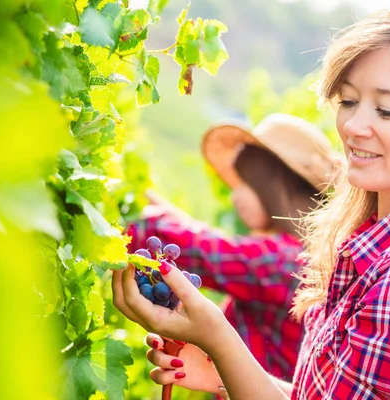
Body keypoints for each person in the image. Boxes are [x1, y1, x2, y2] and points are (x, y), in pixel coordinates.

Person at [112, 1, 390, 398]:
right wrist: (222, 372)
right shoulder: (382, 247)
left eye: (387, 110)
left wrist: (216, 335)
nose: (353, 126)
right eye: (348, 101)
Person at [125, 113, 337, 382]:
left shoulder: (281, 261)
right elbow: (202, 238)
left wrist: (124, 211)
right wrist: (150, 198)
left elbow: (203, 252)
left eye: (243, 183)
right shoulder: (302, 254)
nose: (235, 196)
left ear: (272, 186)